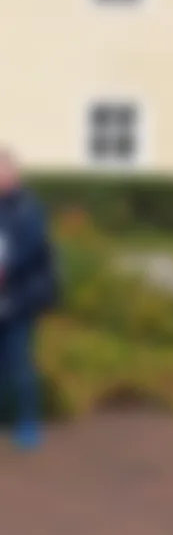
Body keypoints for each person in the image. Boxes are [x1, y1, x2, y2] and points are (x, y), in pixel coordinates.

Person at [0, 149, 55, 450]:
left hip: (19, 300)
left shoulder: (27, 209)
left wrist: (6, 268)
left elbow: (32, 250)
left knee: (19, 364)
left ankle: (27, 423)